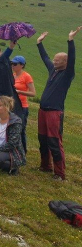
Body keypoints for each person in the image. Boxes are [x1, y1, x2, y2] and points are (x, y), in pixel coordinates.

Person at [36, 27, 81, 180]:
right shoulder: (52, 70)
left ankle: (60, 173)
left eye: (58, 60)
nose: (54, 61)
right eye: (54, 59)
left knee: (54, 141)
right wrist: (39, 43)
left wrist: (70, 40)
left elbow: (73, 58)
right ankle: (45, 166)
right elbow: (45, 58)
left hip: (55, 112)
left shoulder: (68, 74)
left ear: (65, 62)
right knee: (42, 139)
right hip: (42, 110)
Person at [0, 96, 26, 175]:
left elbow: (12, 144)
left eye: (0, 105)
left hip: (10, 150)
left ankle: (13, 167)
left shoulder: (15, 122)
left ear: (7, 107)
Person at [11, 55, 36, 153]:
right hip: (13, 105)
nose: (13, 65)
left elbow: (33, 93)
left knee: (21, 129)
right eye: (12, 63)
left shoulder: (26, 76)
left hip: (22, 106)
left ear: (22, 65)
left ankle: (23, 151)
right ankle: (15, 149)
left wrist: (19, 92)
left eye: (15, 64)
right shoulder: (13, 75)